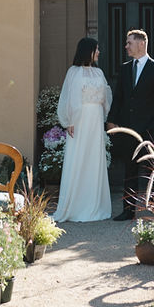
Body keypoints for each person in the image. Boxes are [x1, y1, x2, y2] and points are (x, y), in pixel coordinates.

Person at [105, 29, 154, 221]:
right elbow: (119, 97)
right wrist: (111, 120)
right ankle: (128, 210)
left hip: (149, 129)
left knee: (153, 171)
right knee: (129, 170)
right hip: (127, 128)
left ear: (141, 43)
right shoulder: (125, 68)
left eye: (129, 43)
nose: (126, 46)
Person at [52, 37, 113, 222]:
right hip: (79, 121)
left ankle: (95, 204)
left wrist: (104, 114)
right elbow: (69, 97)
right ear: (88, 51)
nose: (99, 52)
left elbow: (106, 95)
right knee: (79, 158)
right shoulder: (73, 72)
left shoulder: (99, 72)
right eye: (96, 49)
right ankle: (76, 206)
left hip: (95, 120)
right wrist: (69, 121)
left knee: (94, 160)